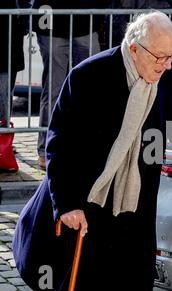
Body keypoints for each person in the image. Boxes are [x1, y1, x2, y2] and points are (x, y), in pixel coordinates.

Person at [12, 11, 172, 291]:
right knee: (84, 288)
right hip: (89, 204)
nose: (166, 65)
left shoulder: (166, 76)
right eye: (159, 57)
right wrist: (68, 204)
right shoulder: (90, 76)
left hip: (134, 204)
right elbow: (60, 144)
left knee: (130, 287)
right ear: (134, 48)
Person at [17, 0, 111, 169]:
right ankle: (45, 150)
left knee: (89, 90)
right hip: (51, 23)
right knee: (54, 89)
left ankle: (86, 148)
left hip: (85, 22)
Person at [0, 0, 27, 125]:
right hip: (9, 47)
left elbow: (25, 6)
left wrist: (23, 22)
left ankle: (3, 136)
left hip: (9, 47)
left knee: (4, 96)